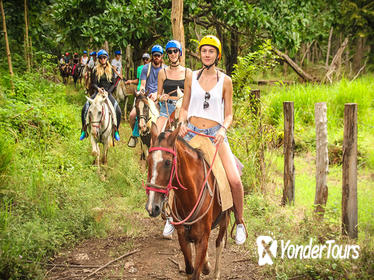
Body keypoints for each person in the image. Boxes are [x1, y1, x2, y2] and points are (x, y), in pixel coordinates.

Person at [178, 35, 247, 245]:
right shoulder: (191, 76)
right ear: (199, 54)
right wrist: (181, 122)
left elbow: (229, 114)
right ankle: (173, 217)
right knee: (173, 169)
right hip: (192, 133)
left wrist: (223, 129)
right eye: (203, 51)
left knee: (234, 179)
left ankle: (240, 222)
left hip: (215, 135)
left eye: (211, 51)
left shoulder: (226, 81)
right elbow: (184, 107)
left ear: (217, 55)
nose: (206, 55)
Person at [127, 45, 166, 148]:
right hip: (147, 97)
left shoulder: (165, 69)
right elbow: (143, 84)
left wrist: (158, 94)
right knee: (132, 115)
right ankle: (136, 135)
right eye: (155, 55)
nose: (157, 57)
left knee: (169, 118)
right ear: (152, 56)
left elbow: (166, 86)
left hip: (160, 96)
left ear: (162, 56)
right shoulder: (146, 68)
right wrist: (142, 93)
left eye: (159, 55)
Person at [79, 49, 121, 141]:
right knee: (85, 107)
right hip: (98, 93)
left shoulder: (111, 70)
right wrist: (98, 88)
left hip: (107, 93)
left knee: (117, 109)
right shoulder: (95, 69)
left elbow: (114, 84)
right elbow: (93, 83)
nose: (102, 59)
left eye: (104, 57)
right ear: (98, 59)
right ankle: (84, 130)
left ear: (107, 58)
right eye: (101, 58)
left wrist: (108, 92)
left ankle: (116, 130)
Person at [155, 40, 186, 134]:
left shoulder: (187, 72)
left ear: (179, 53)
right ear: (167, 54)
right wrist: (161, 97)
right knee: (156, 135)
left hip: (183, 108)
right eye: (170, 52)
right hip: (167, 108)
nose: (173, 54)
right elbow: (158, 95)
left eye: (175, 51)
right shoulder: (162, 72)